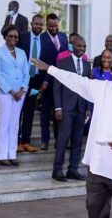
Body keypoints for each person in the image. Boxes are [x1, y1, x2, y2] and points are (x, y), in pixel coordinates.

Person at [32, 53, 112, 218]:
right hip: (99, 168)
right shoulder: (103, 88)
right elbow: (76, 81)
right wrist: (50, 69)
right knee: (95, 211)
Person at [51, 36, 91, 182]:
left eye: (84, 47)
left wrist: (87, 107)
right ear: (72, 46)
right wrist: (58, 107)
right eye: (79, 46)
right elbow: (57, 86)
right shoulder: (62, 62)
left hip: (81, 108)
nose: (81, 49)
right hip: (66, 108)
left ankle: (73, 169)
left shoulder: (87, 65)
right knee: (63, 139)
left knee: (77, 141)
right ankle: (57, 170)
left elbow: (88, 87)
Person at [0, 25, 29, 166]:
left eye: (15, 36)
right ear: (5, 37)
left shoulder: (22, 53)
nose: (13, 38)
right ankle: (2, 155)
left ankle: (12, 153)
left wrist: (22, 89)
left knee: (14, 124)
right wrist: (11, 91)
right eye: (10, 36)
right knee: (4, 123)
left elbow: (26, 73)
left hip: (20, 94)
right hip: (4, 93)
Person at [17, 14, 49, 152]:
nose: (39, 27)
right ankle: (15, 141)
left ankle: (26, 141)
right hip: (21, 79)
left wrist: (45, 81)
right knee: (18, 111)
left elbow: (48, 62)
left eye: (41, 24)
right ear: (32, 24)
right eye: (37, 24)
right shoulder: (22, 37)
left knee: (30, 112)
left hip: (35, 80)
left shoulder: (45, 41)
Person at [40, 13, 68, 150]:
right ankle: (45, 140)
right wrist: (45, 80)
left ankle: (58, 140)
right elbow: (43, 60)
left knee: (59, 113)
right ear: (47, 25)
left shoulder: (63, 37)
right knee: (45, 113)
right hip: (46, 80)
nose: (53, 28)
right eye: (50, 26)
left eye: (55, 25)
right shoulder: (41, 38)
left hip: (60, 81)